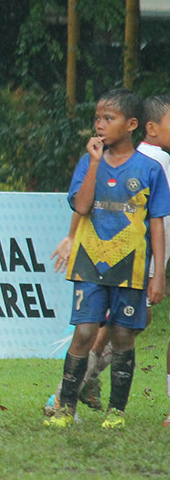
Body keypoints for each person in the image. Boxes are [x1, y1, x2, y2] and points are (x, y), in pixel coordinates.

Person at [45, 89, 170, 429]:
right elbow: (82, 205)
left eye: (108, 119)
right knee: (85, 330)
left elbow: (157, 225)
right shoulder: (89, 162)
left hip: (130, 265)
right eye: (97, 118)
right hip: (90, 260)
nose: (100, 125)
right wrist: (94, 164)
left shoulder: (149, 169)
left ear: (131, 125)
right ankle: (66, 408)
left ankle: (117, 411)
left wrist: (158, 274)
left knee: (123, 334)